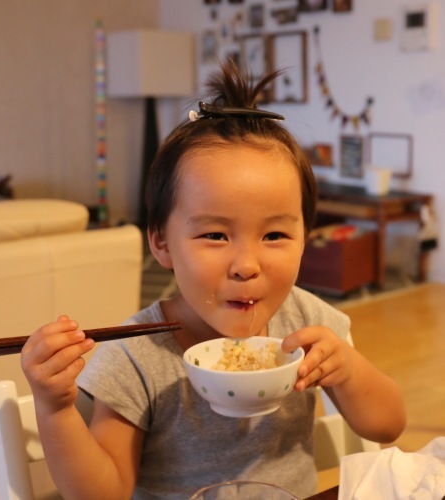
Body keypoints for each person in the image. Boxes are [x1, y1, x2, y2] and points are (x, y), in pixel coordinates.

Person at [21, 62, 406, 499]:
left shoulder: (308, 324)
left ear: (305, 238)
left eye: (275, 235)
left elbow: (388, 426)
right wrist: (56, 409)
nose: (246, 265)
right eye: (216, 235)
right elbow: (102, 494)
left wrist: (348, 370)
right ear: (162, 243)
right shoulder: (136, 355)